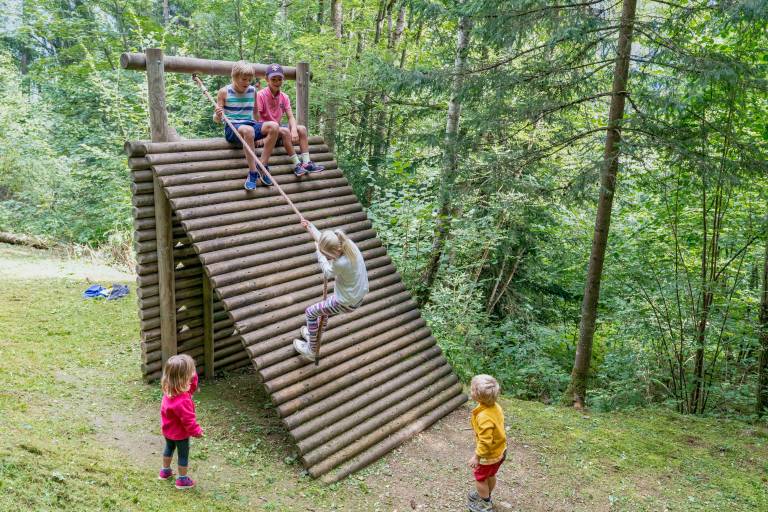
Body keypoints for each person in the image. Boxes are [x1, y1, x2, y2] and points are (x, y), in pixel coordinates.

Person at [293, 219, 368, 361]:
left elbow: (327, 272)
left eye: (327, 255)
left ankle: (311, 350)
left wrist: (319, 252)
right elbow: (326, 242)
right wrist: (310, 227)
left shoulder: (341, 262)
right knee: (323, 312)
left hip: (346, 302)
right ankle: (315, 334)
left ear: (334, 252)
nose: (327, 257)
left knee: (311, 313)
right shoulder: (347, 244)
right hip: (356, 296)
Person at [214, 60, 280, 190]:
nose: (247, 82)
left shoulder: (252, 91)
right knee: (248, 130)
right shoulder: (224, 92)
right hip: (232, 128)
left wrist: (259, 133)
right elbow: (216, 119)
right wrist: (218, 114)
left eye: (249, 79)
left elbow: (255, 113)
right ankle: (252, 173)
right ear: (234, 77)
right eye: (244, 79)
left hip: (249, 125)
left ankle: (263, 165)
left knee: (274, 126)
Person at [256, 63, 325, 176]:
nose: (277, 82)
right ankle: (297, 165)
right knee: (284, 130)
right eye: (273, 79)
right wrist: (257, 135)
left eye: (280, 79)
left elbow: (291, 116)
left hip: (278, 128)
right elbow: (256, 117)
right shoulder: (260, 95)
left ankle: (306, 163)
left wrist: (294, 129)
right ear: (267, 79)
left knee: (301, 129)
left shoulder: (284, 97)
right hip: (267, 131)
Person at [158, 354, 203, 490]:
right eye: (190, 373)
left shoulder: (169, 389)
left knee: (169, 448)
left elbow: (191, 388)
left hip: (168, 430)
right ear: (183, 378)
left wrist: (192, 375)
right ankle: (182, 480)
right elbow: (189, 420)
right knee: (183, 454)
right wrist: (197, 432)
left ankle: (165, 471)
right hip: (180, 434)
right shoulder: (183, 400)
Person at [467, 374, 507, 512]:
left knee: (480, 478)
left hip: (488, 456)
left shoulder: (484, 417)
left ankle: (485, 503)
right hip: (500, 450)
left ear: (478, 396)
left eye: (472, 389)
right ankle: (486, 495)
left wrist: (477, 457)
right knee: (490, 475)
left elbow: (485, 441)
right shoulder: (494, 406)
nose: (470, 390)